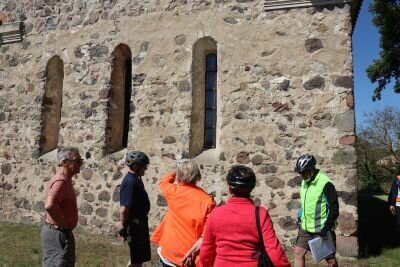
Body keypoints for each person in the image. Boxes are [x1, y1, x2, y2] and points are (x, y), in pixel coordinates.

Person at [199, 165, 290, 267]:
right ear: (251, 188)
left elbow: (206, 250)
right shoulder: (260, 214)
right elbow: (274, 251)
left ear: (229, 188)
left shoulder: (216, 213)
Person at [150, 160, 216, 267]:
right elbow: (207, 233)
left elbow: (163, 181)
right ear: (197, 176)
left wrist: (178, 170)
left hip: (168, 252)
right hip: (189, 255)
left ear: (179, 175)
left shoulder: (173, 191)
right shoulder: (208, 201)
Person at [294, 154, 339, 267]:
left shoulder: (325, 183)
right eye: (300, 173)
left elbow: (334, 208)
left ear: (312, 169)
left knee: (330, 261)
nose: (302, 176)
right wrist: (300, 216)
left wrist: (326, 228)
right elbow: (305, 203)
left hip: (322, 229)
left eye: (304, 172)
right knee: (298, 252)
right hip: (306, 229)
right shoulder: (305, 182)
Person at [41, 147, 83, 267]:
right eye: (77, 161)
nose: (80, 164)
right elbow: (49, 205)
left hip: (60, 232)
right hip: (58, 233)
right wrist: (64, 228)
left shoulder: (66, 180)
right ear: (64, 162)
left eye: (81, 160)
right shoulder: (61, 182)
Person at [119, 151, 151, 267]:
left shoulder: (135, 179)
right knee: (137, 260)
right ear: (136, 166)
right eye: (144, 166)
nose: (145, 169)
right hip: (135, 226)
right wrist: (123, 228)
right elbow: (124, 209)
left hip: (139, 224)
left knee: (138, 259)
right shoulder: (131, 182)